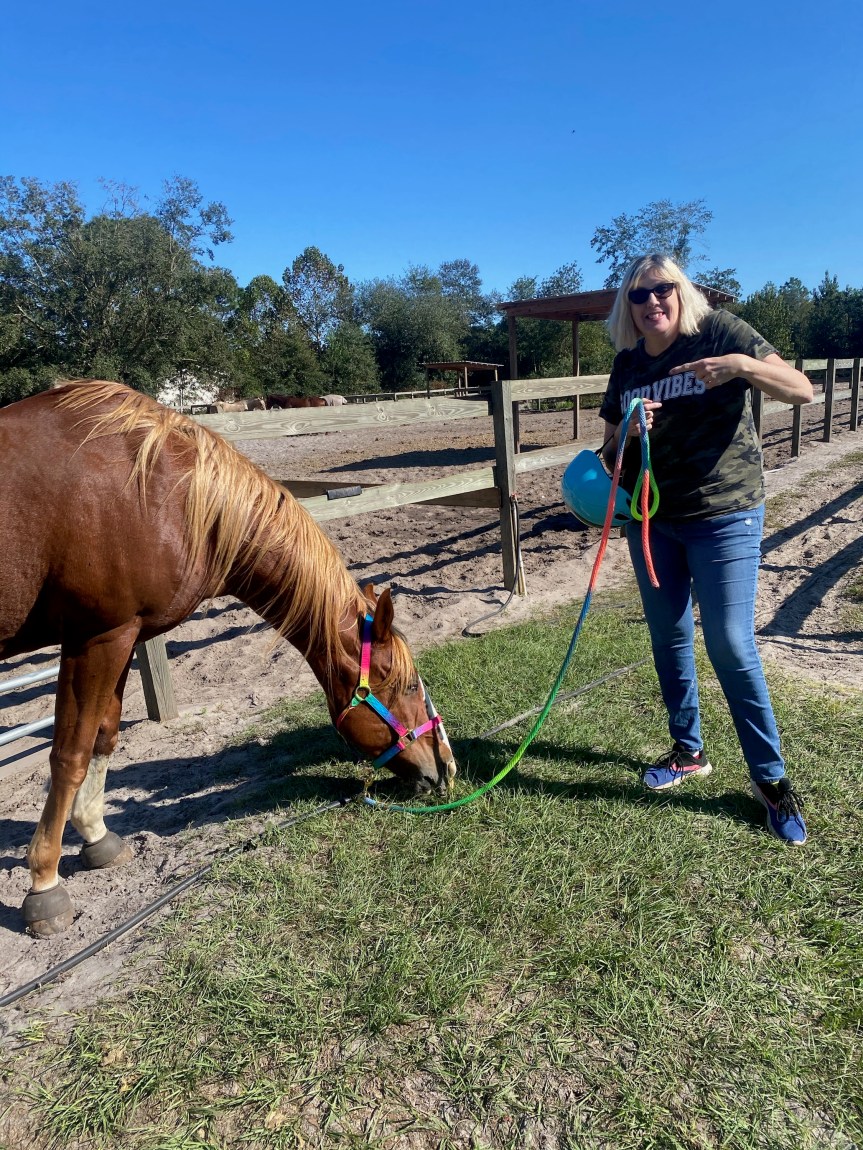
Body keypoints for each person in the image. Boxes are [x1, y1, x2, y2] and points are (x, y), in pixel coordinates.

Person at [599, 254, 813, 844]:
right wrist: (627, 434)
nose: (652, 303)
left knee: (729, 642)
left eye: (662, 289)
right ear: (629, 307)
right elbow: (609, 449)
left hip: (726, 515)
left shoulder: (721, 332)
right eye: (639, 296)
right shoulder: (626, 366)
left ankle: (771, 782)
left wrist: (743, 366)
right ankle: (688, 750)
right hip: (653, 521)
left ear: (680, 291)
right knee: (667, 637)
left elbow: (803, 391)